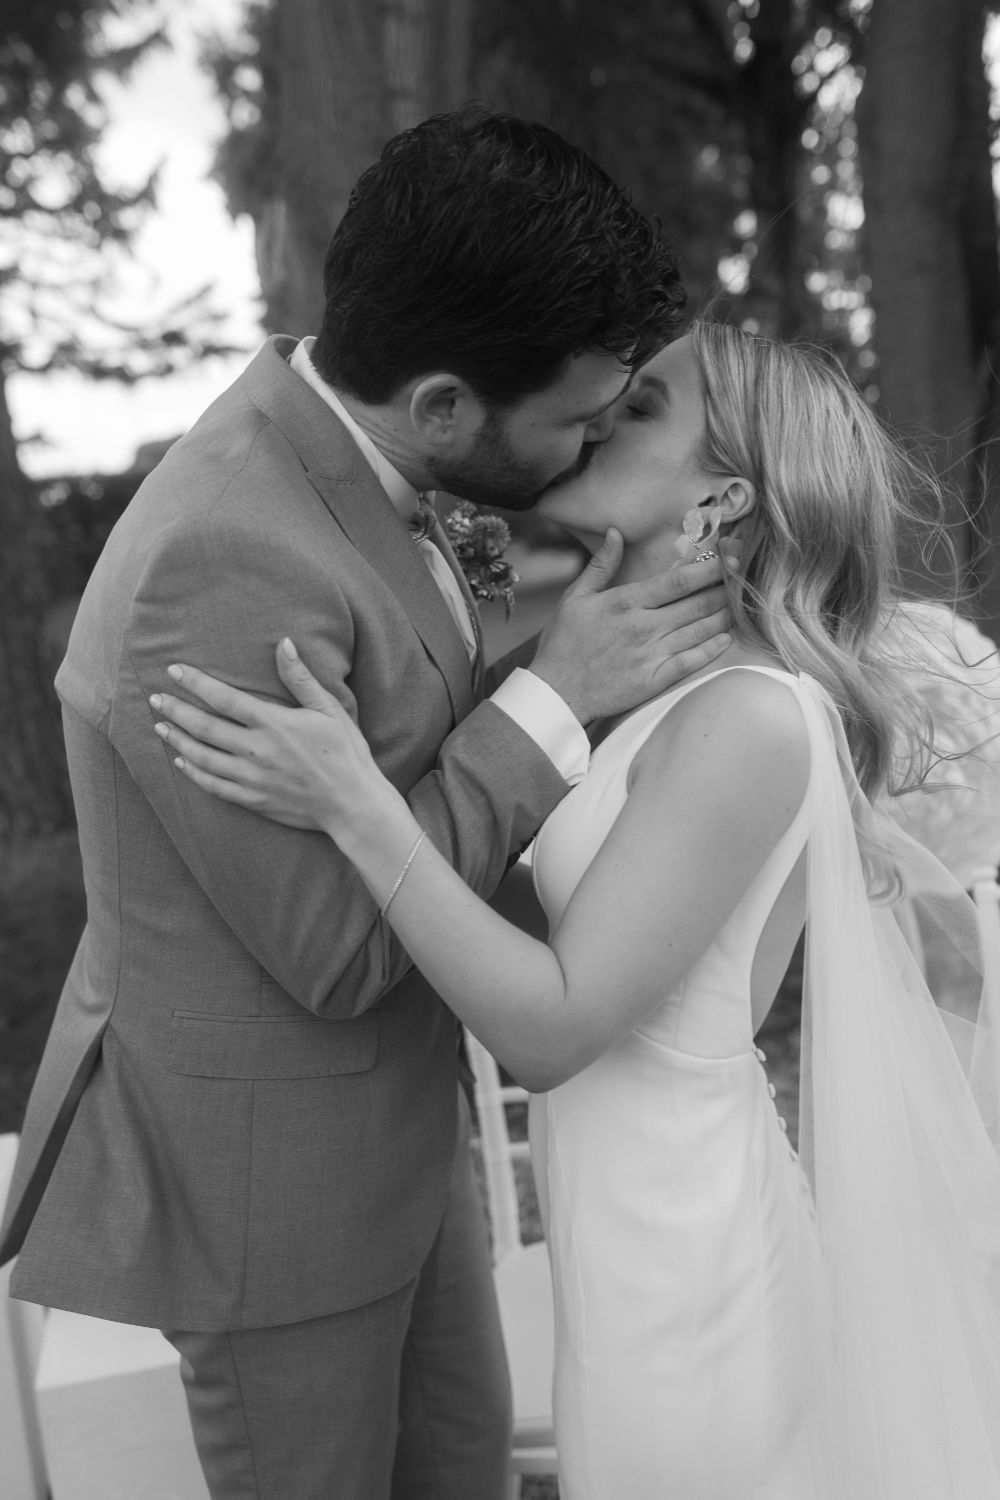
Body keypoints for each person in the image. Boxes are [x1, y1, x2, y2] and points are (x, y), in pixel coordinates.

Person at [0, 108, 736, 1500]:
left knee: (461, 1467)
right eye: (577, 418)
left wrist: (571, 665)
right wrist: (554, 698)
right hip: (274, 1193)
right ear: (446, 405)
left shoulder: (370, 462)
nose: (587, 451)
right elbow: (336, 945)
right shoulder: (219, 558)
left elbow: (403, 732)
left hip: (401, 1149)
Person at [150, 321, 1000, 1498]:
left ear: (722, 497)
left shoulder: (750, 719)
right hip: (624, 1234)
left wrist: (354, 802)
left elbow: (550, 1032)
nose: (599, 415)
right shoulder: (675, 691)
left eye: (644, 406)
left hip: (683, 1252)